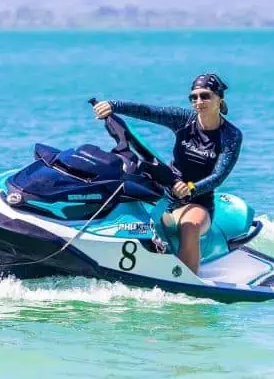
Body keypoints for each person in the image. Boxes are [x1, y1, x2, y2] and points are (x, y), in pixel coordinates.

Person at [92, 73, 242, 274]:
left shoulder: (230, 135)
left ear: (219, 99)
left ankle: (185, 280)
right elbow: (149, 111)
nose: (198, 101)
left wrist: (191, 188)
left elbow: (219, 176)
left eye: (205, 96)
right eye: (194, 97)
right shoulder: (183, 120)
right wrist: (114, 105)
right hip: (166, 190)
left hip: (198, 200)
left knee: (190, 225)